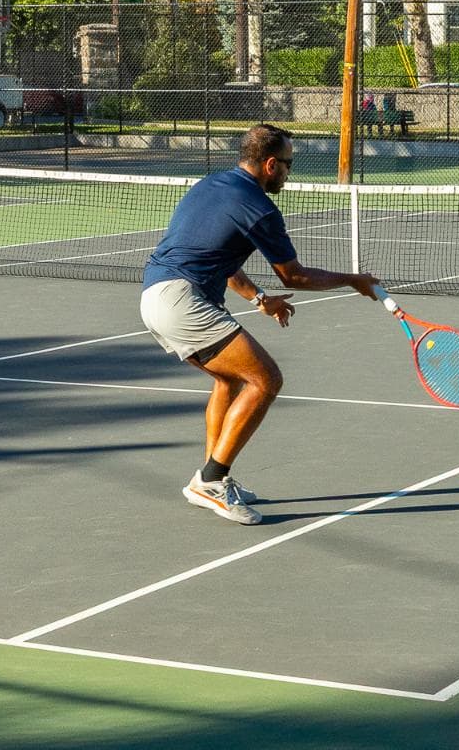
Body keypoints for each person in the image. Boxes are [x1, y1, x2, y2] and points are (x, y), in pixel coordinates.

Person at [141, 123, 380, 525]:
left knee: (228, 380)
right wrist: (353, 280)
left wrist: (258, 299)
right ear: (270, 164)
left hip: (154, 295)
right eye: (287, 164)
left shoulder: (211, 186)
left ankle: (213, 474)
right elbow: (294, 276)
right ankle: (210, 481)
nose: (289, 172)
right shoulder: (260, 207)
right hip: (182, 301)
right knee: (265, 380)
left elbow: (220, 259)